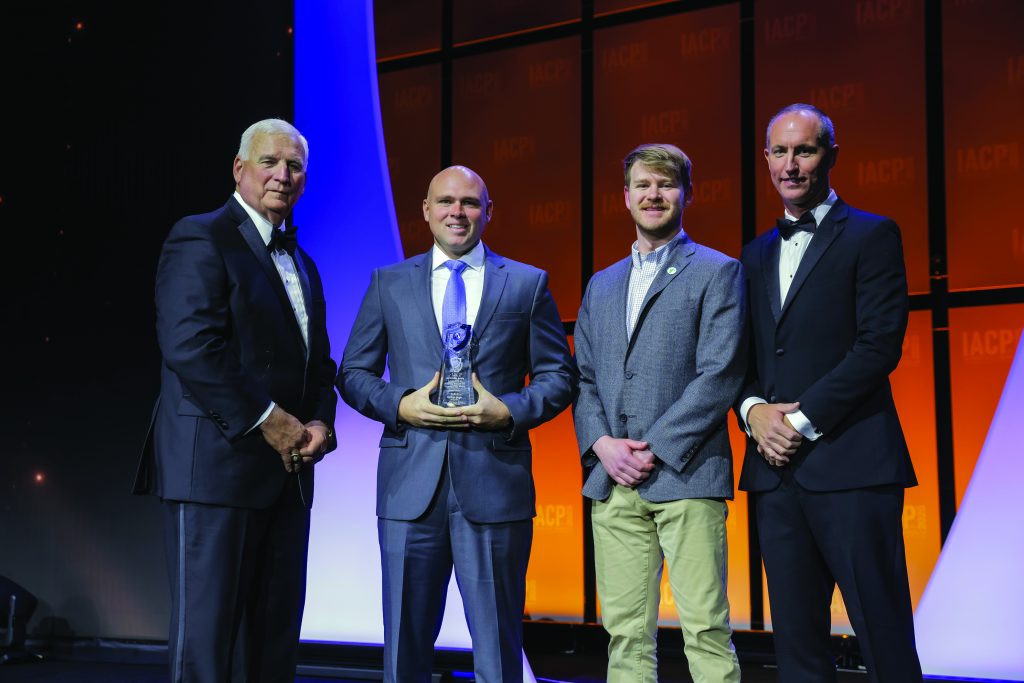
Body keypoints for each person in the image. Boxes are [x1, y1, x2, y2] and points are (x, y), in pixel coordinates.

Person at [339, 165, 574, 683]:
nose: (457, 212)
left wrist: (508, 410)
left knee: (497, 648)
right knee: (404, 648)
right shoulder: (389, 282)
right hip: (408, 490)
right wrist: (399, 404)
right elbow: (353, 372)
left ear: (489, 212)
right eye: (445, 202)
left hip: (494, 485)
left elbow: (560, 377)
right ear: (425, 211)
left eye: (470, 203)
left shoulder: (528, 284)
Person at [134, 119, 338, 682]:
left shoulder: (304, 263)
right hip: (214, 474)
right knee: (208, 645)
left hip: (289, 474)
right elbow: (190, 345)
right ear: (239, 170)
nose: (282, 175)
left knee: (273, 644)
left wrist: (321, 420)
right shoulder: (200, 235)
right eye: (270, 162)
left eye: (294, 166)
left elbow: (319, 363)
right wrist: (271, 421)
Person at [737, 103, 922, 682]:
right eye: (780, 152)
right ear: (766, 160)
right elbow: (737, 361)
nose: (791, 165)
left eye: (805, 150)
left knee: (882, 632)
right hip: (774, 475)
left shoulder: (872, 234)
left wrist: (797, 422)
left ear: (830, 157)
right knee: (795, 643)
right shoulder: (752, 254)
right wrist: (753, 412)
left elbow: (878, 347)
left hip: (853, 465)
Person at [573, 143, 745, 682]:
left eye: (666, 185)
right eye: (643, 185)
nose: (654, 195)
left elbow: (721, 373)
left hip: (687, 475)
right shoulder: (601, 284)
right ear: (625, 197)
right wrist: (602, 444)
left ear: (687, 195)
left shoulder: (719, 271)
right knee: (624, 637)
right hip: (613, 482)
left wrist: (652, 450)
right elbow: (584, 379)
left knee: (707, 631)